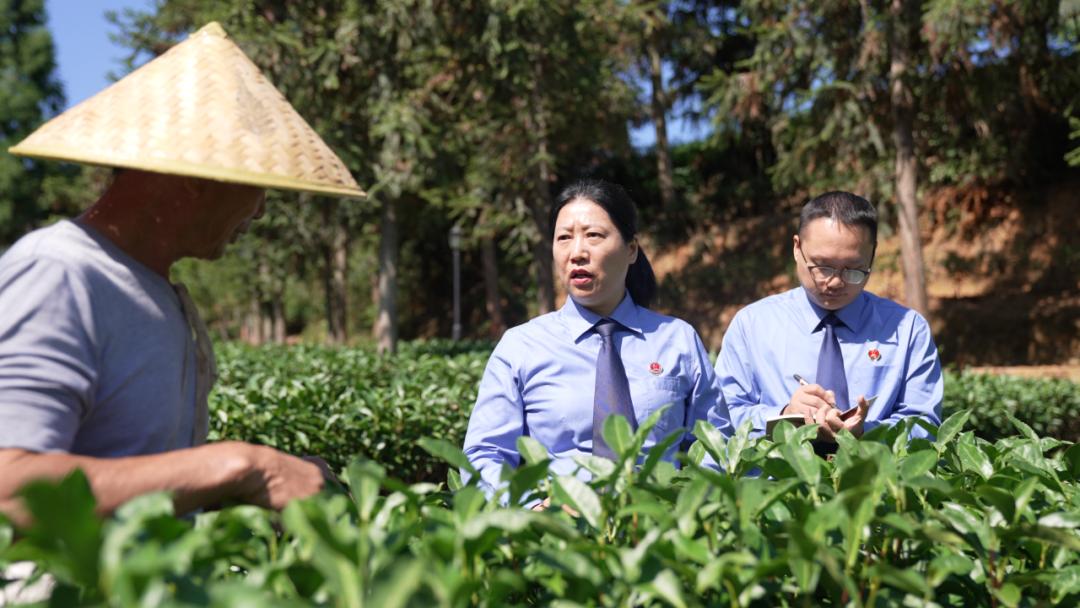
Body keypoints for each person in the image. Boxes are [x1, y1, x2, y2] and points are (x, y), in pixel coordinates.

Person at [0, 22, 366, 535]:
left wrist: (246, 486)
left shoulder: (159, 293)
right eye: (256, 185)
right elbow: (11, 490)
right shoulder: (59, 273)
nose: (260, 211)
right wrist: (241, 466)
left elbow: (131, 472)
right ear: (194, 179)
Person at [463, 179, 733, 501]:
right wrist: (531, 509)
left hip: (659, 533)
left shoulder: (677, 340)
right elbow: (483, 456)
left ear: (631, 250)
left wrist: (687, 509)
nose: (576, 252)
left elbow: (717, 448)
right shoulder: (520, 347)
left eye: (593, 235)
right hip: (559, 536)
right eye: (564, 238)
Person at [715, 191, 943, 451]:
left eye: (854, 270)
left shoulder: (907, 329)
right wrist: (784, 417)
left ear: (872, 255)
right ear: (797, 248)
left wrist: (865, 432)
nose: (835, 282)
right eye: (822, 267)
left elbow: (925, 424)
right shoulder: (752, 325)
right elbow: (722, 416)